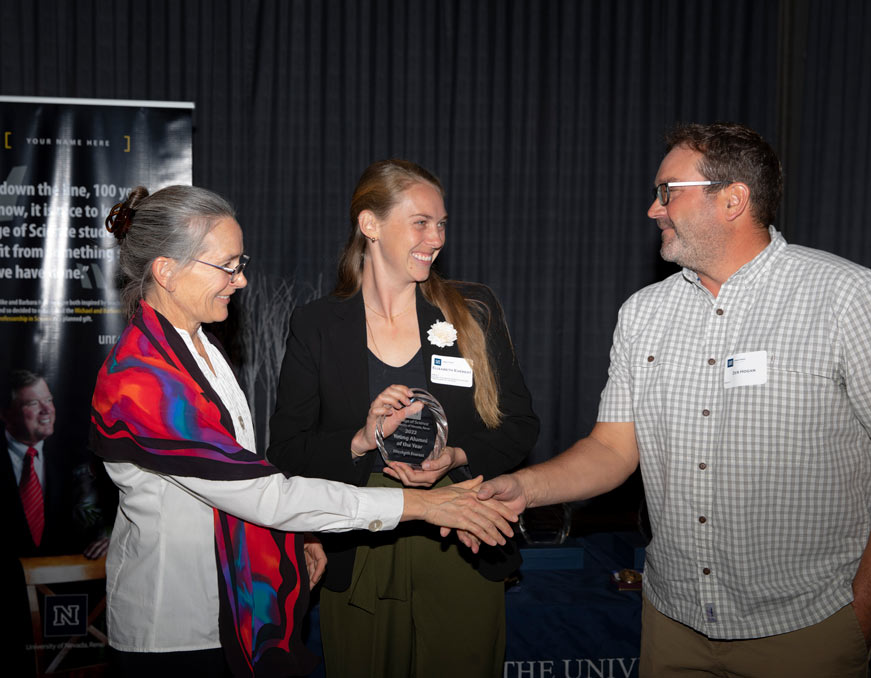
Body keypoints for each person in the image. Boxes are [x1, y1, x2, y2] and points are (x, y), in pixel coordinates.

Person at [478, 123, 871, 677]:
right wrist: (523, 488)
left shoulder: (850, 299)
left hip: (808, 630)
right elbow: (612, 450)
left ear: (733, 199)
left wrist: (863, 608)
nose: (654, 209)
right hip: (673, 629)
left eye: (667, 191)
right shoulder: (643, 314)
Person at [91, 185, 518, 678]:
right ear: (167, 270)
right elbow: (261, 495)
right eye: (227, 266)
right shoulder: (140, 381)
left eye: (240, 262)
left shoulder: (197, 345)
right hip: (174, 626)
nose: (242, 279)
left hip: (224, 607)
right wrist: (423, 505)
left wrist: (304, 532)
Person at [267, 159, 539, 677]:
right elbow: (286, 453)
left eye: (441, 224)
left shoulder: (472, 311)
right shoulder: (318, 325)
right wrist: (360, 440)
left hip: (461, 538)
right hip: (362, 539)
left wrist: (456, 455)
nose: (435, 238)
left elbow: (521, 425)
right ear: (370, 225)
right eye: (420, 222)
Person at [2, 369, 108, 558]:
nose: (47, 410)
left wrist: (107, 539)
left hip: (61, 579)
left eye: (49, 400)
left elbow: (92, 520)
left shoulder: (73, 459)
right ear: (6, 414)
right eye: (33, 403)